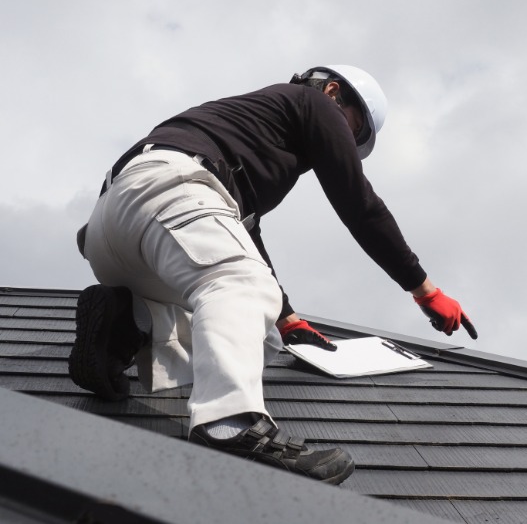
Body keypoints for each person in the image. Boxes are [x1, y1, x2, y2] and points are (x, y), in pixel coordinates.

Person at [70, 65, 477, 485]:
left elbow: (241, 233)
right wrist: (424, 289)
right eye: (352, 132)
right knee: (240, 285)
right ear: (334, 91)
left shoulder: (250, 131)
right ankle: (228, 424)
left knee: (259, 332)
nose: (347, 144)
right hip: (172, 189)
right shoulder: (313, 102)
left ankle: (128, 323)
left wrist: (287, 318)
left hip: (111, 230)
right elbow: (360, 205)